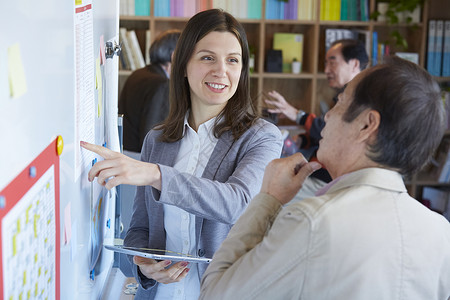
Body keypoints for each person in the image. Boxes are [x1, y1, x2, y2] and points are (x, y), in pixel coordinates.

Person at [200, 56, 450, 299]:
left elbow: (215, 294)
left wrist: (267, 199)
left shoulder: (313, 221)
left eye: (340, 102)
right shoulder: (441, 234)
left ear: (367, 125)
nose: (327, 116)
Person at [81, 8, 283, 300]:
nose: (221, 71)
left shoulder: (261, 136)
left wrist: (155, 174)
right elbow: (139, 229)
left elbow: (237, 203)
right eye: (207, 57)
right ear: (183, 63)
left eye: (232, 60)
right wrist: (144, 266)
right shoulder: (158, 140)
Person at [265, 39, 369, 199]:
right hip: (317, 173)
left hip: (328, 180)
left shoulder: (362, 98)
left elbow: (335, 132)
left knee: (267, 190)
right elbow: (327, 133)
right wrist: (302, 140)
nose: (326, 70)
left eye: (332, 63)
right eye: (325, 63)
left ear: (354, 64)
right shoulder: (346, 94)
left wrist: (295, 114)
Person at [119, 29, 181, 153]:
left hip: (124, 150)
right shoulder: (162, 84)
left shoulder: (138, 73)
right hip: (139, 158)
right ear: (174, 55)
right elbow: (153, 134)